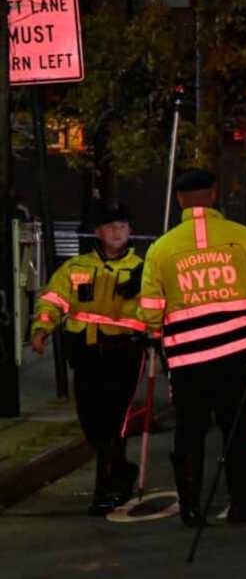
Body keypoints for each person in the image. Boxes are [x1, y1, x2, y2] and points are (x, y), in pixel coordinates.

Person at [137, 169, 246, 526]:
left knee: (190, 430)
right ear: (214, 194)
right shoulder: (243, 238)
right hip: (238, 354)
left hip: (188, 358)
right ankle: (241, 503)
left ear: (180, 199)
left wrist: (156, 333)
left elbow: (151, 307)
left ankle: (191, 508)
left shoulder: (161, 247)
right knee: (237, 428)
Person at [30, 200, 146, 514]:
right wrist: (41, 330)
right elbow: (53, 301)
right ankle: (121, 470)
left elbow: (157, 308)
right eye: (111, 227)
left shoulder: (143, 269)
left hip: (124, 351)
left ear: (130, 230)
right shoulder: (77, 268)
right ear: (98, 232)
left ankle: (105, 489)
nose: (117, 232)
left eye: (122, 226)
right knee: (91, 421)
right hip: (85, 354)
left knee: (113, 421)